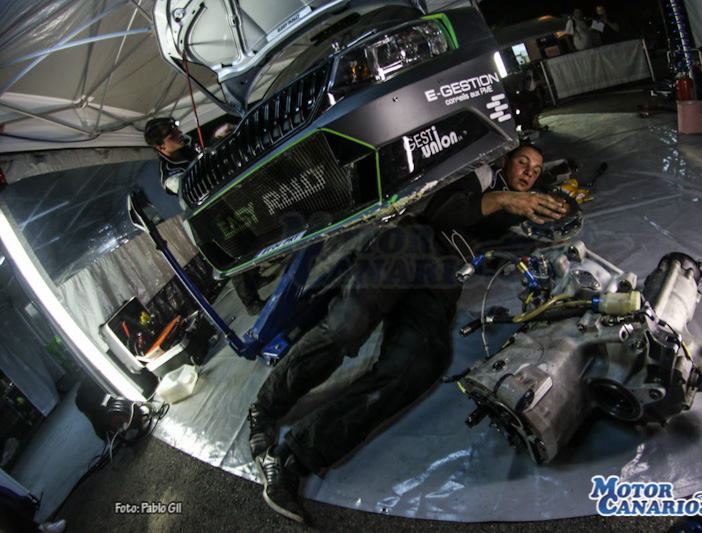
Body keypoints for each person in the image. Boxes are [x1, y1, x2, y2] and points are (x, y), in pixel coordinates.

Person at [247, 144, 567, 523]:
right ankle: (265, 409)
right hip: (411, 242)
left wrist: (548, 236)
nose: (528, 172)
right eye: (523, 162)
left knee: (421, 364)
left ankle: (290, 458)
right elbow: (441, 211)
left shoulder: (525, 209)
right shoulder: (484, 174)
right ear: (505, 161)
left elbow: (512, 250)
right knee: (348, 325)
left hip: (443, 276)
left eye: (535, 169)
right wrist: (502, 199)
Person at [143, 117, 267, 315]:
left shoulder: (187, 145)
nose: (178, 133)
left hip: (224, 202)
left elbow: (206, 148)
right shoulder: (169, 175)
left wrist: (216, 138)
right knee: (234, 253)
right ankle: (251, 303)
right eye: (170, 134)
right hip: (209, 216)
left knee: (247, 239)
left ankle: (256, 278)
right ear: (161, 147)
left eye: (175, 128)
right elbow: (192, 184)